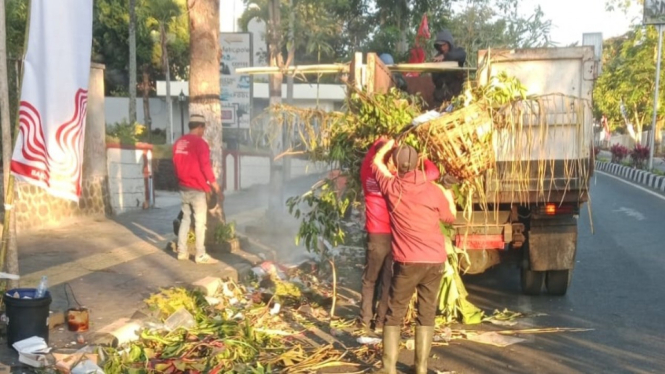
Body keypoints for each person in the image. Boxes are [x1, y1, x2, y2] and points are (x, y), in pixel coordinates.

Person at [370, 139, 456, 374]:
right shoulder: (433, 189)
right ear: (418, 163)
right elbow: (451, 217)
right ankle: (420, 368)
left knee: (394, 314)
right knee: (426, 313)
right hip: (434, 262)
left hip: (407, 263)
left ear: (396, 166)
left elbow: (376, 162)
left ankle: (388, 369)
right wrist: (448, 189)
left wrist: (388, 145)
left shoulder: (391, 187)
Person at [358, 138, 440, 334]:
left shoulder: (368, 175)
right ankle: (380, 324)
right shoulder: (396, 182)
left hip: (376, 236)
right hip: (396, 237)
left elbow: (372, 160)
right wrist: (420, 157)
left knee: (369, 280)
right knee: (388, 281)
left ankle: (364, 321)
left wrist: (381, 142)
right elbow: (433, 173)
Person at [173, 114, 221, 264]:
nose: (203, 131)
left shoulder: (179, 142)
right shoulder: (200, 143)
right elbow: (205, 167)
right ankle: (200, 254)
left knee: (186, 219)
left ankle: (181, 252)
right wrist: (215, 186)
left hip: (183, 187)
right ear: (200, 127)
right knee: (200, 222)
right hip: (197, 189)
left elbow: (175, 163)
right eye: (203, 128)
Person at [431, 29, 467, 108]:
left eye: (444, 45)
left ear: (449, 43)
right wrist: (436, 68)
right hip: (441, 97)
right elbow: (436, 82)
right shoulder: (437, 58)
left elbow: (462, 55)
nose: (443, 48)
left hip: (456, 94)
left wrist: (445, 57)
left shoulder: (458, 52)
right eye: (440, 46)